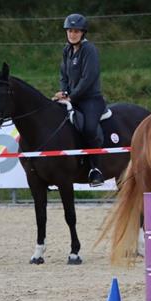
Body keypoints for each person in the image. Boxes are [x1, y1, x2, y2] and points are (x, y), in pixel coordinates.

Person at [53, 13, 106, 186]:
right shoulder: (67, 50)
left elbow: (88, 78)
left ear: (83, 32)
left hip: (91, 100)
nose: (72, 34)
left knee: (89, 129)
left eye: (76, 31)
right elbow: (63, 75)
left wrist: (71, 96)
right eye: (69, 30)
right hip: (72, 98)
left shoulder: (89, 50)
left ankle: (95, 169)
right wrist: (63, 92)